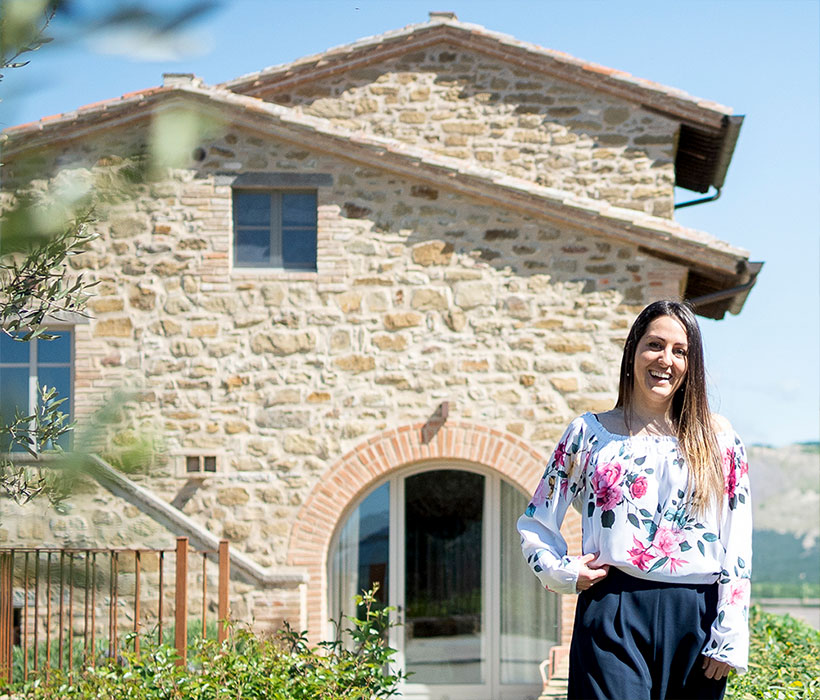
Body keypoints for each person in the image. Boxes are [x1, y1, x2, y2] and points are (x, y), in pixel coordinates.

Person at [518, 300, 751, 700]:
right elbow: (537, 520)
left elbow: (737, 538)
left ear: (691, 365)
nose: (667, 359)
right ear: (633, 353)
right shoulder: (588, 435)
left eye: (681, 351)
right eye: (655, 345)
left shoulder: (719, 439)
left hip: (697, 616)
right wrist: (560, 572)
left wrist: (730, 629)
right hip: (613, 610)